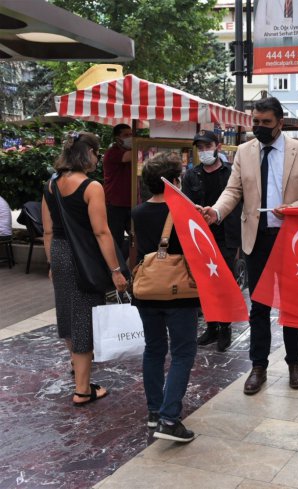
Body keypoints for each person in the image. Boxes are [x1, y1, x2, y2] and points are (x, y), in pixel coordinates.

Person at [200, 97, 298, 395]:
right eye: (256, 122)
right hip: (256, 239)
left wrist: (293, 207)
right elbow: (233, 190)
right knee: (259, 306)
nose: (260, 127)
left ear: (280, 122)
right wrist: (216, 212)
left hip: (290, 240)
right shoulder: (244, 151)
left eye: (266, 123)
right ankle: (258, 366)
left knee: (292, 306)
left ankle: (295, 363)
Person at [41, 132, 128, 405]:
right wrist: (115, 270)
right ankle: (82, 389)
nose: (97, 158)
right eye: (97, 153)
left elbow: (47, 231)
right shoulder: (92, 187)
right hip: (84, 257)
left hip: (60, 253)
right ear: (88, 152)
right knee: (84, 317)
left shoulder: (50, 185)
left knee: (68, 314)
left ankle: (76, 367)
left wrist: (52, 263)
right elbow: (102, 233)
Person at [132, 152, 200, 443]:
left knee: (154, 350)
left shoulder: (136, 212)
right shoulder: (185, 210)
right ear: (174, 181)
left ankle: (153, 412)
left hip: (147, 292)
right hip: (179, 292)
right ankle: (169, 418)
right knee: (183, 353)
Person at [182, 130, 242, 352]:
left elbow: (238, 202)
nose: (204, 151)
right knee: (205, 283)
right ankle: (211, 327)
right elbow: (186, 204)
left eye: (208, 146)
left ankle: (225, 327)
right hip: (201, 237)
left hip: (227, 235)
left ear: (217, 146)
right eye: (200, 148)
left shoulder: (231, 173)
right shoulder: (192, 175)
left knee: (225, 281)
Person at [103, 124, 133, 259]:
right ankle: (115, 270)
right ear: (117, 138)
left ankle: (125, 266)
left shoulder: (131, 150)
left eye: (131, 134)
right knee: (115, 239)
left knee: (135, 237)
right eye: (126, 135)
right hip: (115, 203)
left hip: (131, 203)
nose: (130, 138)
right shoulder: (112, 152)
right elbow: (128, 156)